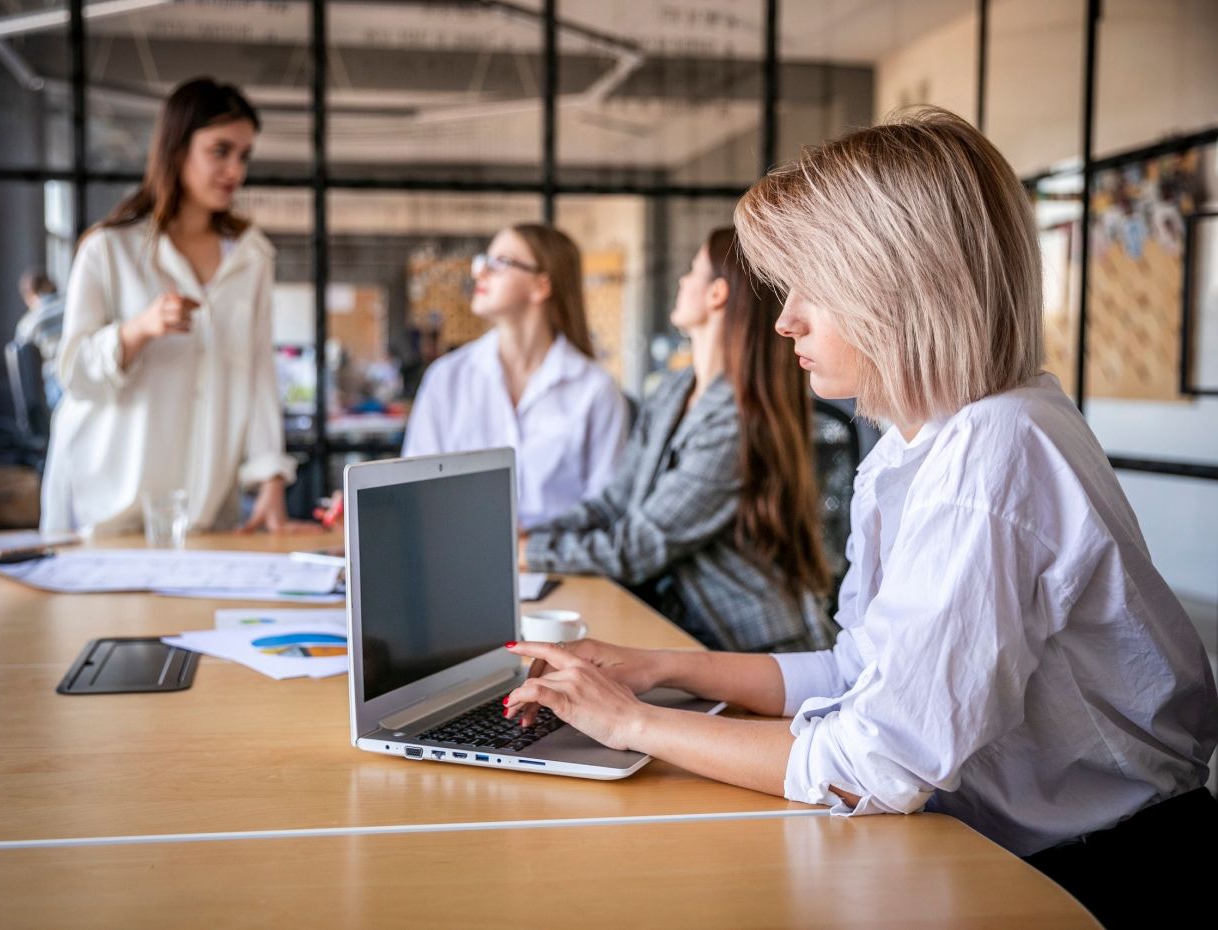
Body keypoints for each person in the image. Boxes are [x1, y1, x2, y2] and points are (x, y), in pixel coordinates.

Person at [502, 109, 1217, 929]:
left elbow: (874, 763)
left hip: (1102, 877)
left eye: (815, 287)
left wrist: (630, 724)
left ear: (898, 286)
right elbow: (860, 678)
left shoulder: (990, 454)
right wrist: (656, 668)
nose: (785, 320)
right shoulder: (925, 440)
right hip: (1025, 853)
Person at [521, 227, 835, 653]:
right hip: (680, 624)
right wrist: (528, 535)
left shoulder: (737, 419)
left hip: (749, 642)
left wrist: (533, 551)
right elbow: (614, 503)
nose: (682, 281)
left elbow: (638, 548)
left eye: (693, 271)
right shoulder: (675, 390)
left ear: (716, 295)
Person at [41, 77, 307, 537]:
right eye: (220, 151)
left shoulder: (252, 256)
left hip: (200, 503)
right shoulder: (108, 249)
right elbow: (73, 375)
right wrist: (138, 329)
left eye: (244, 156)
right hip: (106, 500)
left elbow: (259, 371)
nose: (235, 171)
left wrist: (271, 480)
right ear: (177, 148)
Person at [401, 224, 628, 528]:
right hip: (461, 560)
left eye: (500, 263)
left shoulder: (596, 389)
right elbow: (415, 490)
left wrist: (533, 545)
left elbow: (607, 509)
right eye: (484, 261)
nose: (479, 272)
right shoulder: (446, 378)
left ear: (541, 286)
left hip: (560, 565)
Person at [15, 270, 66, 408]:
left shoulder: (29, 322)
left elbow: (20, 355)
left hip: (56, 381)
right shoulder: (72, 304)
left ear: (29, 295)